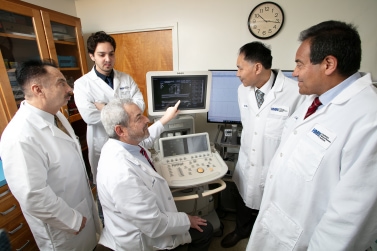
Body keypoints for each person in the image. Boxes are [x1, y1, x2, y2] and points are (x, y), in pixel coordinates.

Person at [246, 20, 377, 250]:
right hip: (276, 224)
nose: (294, 72)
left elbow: (348, 220)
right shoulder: (314, 100)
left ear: (328, 64)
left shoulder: (369, 119)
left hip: (304, 240)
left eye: (300, 64)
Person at [0, 59, 101, 250]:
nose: (69, 89)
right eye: (61, 83)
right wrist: (72, 220)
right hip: (63, 227)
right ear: (38, 89)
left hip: (80, 207)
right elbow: (33, 195)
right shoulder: (19, 136)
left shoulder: (56, 115)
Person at [95, 98, 213, 251]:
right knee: (206, 230)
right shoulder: (121, 173)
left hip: (146, 223)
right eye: (139, 117)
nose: (147, 120)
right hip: (144, 240)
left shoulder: (123, 143)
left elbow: (146, 139)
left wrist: (166, 118)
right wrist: (187, 219)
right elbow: (154, 225)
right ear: (120, 130)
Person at [221, 41, 304, 248]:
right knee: (242, 199)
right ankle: (240, 231)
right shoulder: (243, 91)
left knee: (270, 208)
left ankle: (263, 239)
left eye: (240, 67)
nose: (237, 74)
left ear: (257, 67)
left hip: (273, 166)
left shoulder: (295, 93)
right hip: (247, 161)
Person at [74, 31, 145, 186]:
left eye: (111, 54)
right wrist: (127, 110)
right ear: (92, 56)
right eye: (101, 54)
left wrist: (104, 107)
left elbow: (140, 106)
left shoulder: (126, 78)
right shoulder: (82, 84)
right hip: (102, 143)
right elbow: (89, 117)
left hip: (130, 140)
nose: (108, 59)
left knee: (134, 183)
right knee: (108, 185)